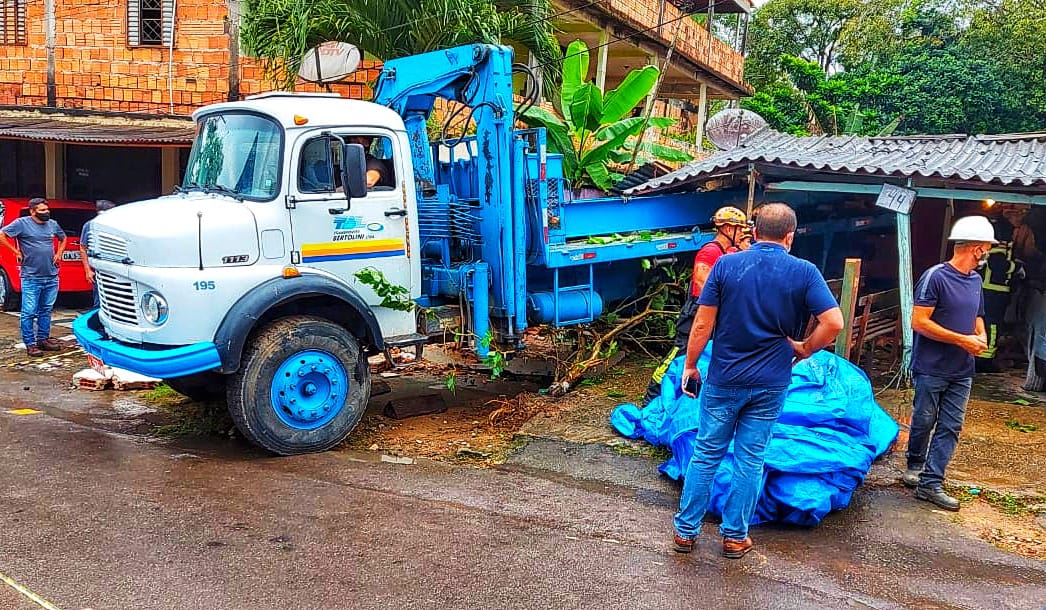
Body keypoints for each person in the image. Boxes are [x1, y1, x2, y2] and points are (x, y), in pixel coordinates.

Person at [672, 203, 843, 558]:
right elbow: (834, 322)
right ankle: (734, 537)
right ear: (789, 236)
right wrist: (805, 349)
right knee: (750, 459)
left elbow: (702, 324)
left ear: (753, 231)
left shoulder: (726, 265)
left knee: (705, 454)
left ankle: (685, 533)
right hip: (771, 382)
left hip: (725, 378)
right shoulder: (805, 272)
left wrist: (690, 365)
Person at [902, 216, 994, 511]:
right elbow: (919, 322)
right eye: (987, 247)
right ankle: (914, 463)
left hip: (962, 369)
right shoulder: (936, 277)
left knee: (951, 426)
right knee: (925, 419)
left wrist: (980, 335)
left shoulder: (975, 281)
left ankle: (930, 483)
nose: (988, 252)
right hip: (931, 366)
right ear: (976, 249)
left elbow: (977, 314)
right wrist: (960, 340)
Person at [641, 206, 750, 405]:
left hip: (716, 316)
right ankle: (651, 399)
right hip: (697, 314)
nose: (743, 233)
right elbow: (702, 283)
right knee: (680, 356)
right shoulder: (710, 252)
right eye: (739, 229)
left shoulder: (730, 252)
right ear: (727, 229)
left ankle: (688, 401)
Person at [0, 197, 68, 357]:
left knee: (46, 310)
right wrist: (16, 251)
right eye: (42, 210)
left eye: (47, 209)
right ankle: (30, 344)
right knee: (29, 312)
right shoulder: (21, 223)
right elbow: (2, 235)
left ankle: (43, 339)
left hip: (51, 276)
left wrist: (59, 253)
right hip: (31, 277)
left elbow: (63, 238)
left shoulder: (53, 224)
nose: (46, 212)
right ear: (32, 211)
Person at [80, 199, 116, 309]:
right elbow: (83, 248)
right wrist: (88, 271)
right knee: (100, 302)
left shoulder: (117, 225)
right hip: (99, 269)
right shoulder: (90, 225)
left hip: (116, 269)